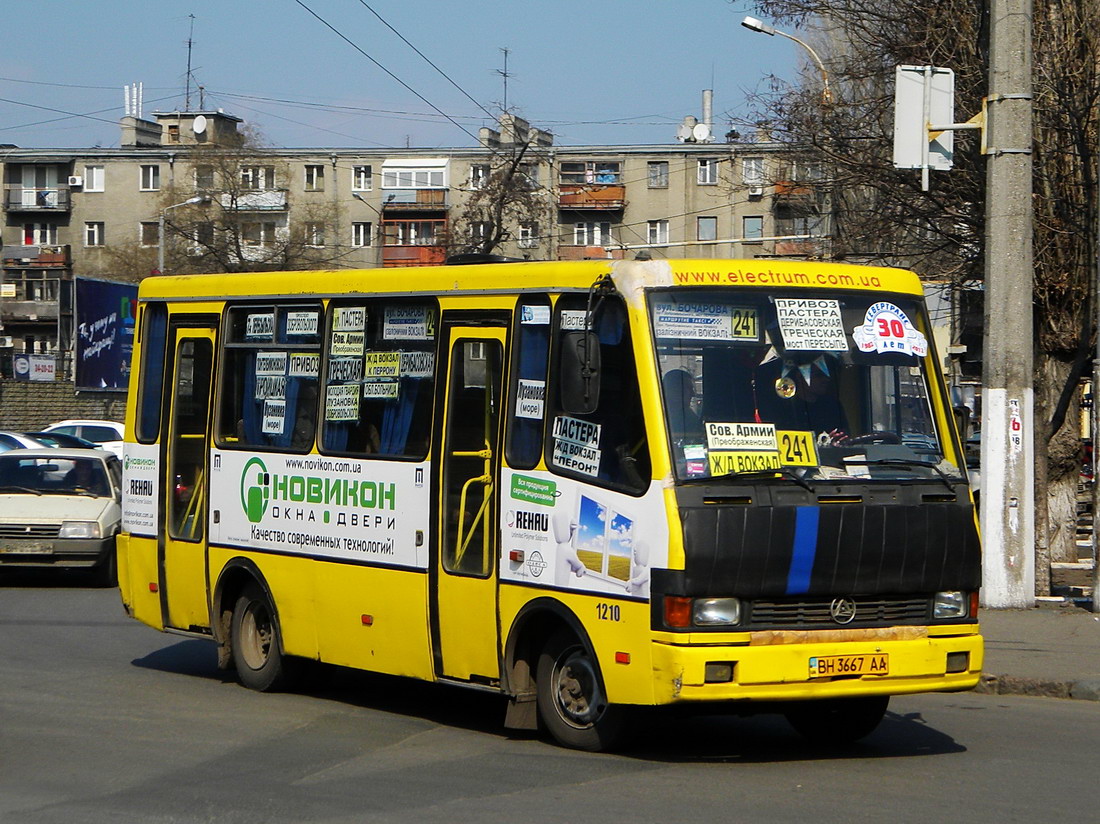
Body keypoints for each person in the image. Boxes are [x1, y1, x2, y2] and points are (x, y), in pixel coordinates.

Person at [662, 368, 704, 443]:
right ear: (673, 390)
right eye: (688, 388)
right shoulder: (657, 417)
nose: (692, 394)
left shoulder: (689, 416)